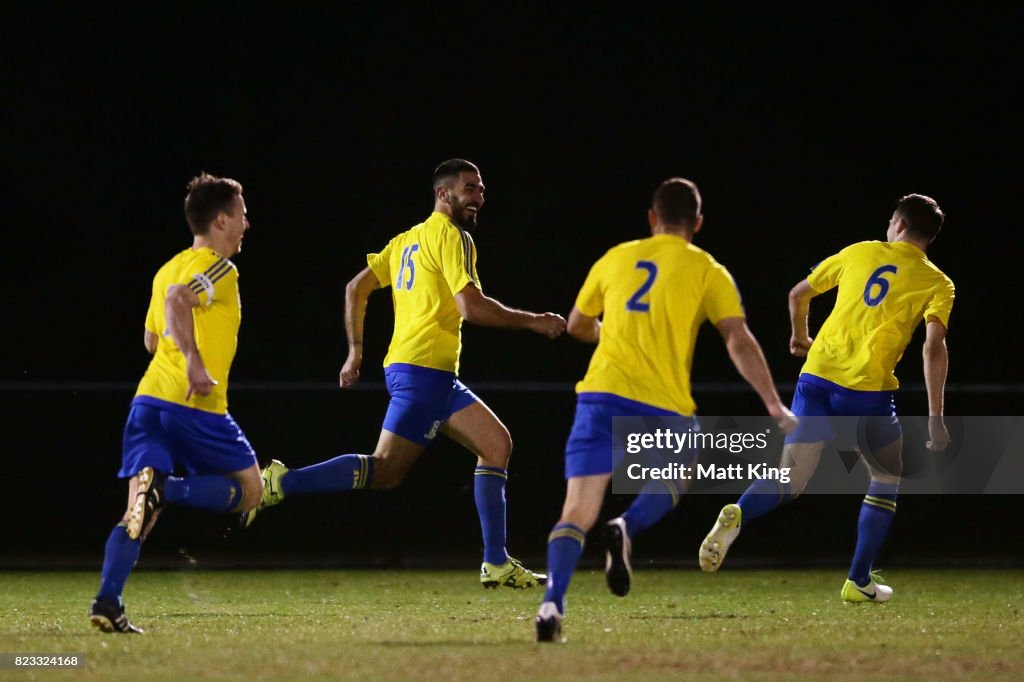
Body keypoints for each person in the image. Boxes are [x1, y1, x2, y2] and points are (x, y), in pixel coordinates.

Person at [242, 159, 565, 588]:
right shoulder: (452, 237)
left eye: (482, 190)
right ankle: (282, 482)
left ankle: (496, 563)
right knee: (386, 469)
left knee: (494, 444)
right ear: (443, 193)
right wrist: (534, 321)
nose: (479, 197)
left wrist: (356, 353)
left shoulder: (407, 240)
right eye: (470, 188)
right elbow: (471, 305)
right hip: (424, 371)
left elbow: (355, 288)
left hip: (426, 372)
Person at [535, 178, 798, 643]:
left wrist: (609, 335)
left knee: (575, 511)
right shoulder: (706, 269)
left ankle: (551, 605)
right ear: (697, 222)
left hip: (599, 396)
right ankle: (626, 526)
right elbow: (737, 338)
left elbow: (577, 325)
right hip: (662, 405)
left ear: (652, 218)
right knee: (681, 471)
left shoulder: (616, 257)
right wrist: (773, 403)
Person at [699, 194, 954, 604]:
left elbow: (798, 294)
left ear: (900, 225)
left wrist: (800, 335)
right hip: (867, 391)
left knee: (791, 479)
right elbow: (933, 348)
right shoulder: (938, 283)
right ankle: (858, 581)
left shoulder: (860, 252)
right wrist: (936, 417)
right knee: (886, 477)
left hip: (816, 378)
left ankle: (740, 514)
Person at [89, 173, 262, 634]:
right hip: (194, 405)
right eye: (242, 215)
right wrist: (194, 360)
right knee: (251, 492)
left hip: (148, 401)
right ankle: (173, 489)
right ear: (222, 220)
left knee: (136, 513)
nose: (247, 223)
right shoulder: (220, 268)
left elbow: (151, 337)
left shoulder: (167, 266)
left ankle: (108, 601)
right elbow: (178, 300)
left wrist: (178, 342)